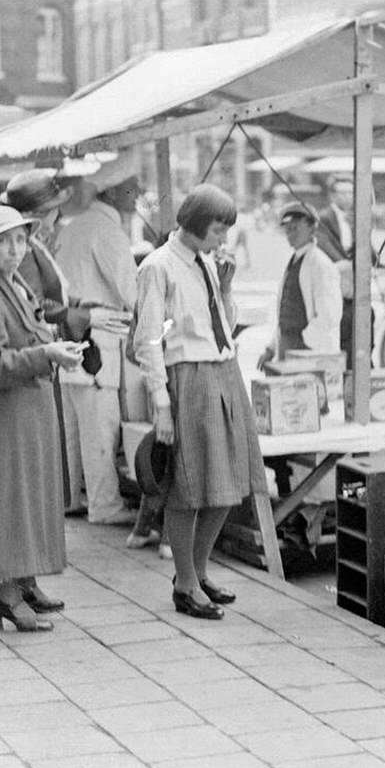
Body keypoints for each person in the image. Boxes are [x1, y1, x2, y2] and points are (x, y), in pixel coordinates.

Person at [0, 205, 88, 633]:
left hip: (23, 408)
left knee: (30, 496)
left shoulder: (9, 281)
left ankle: (25, 582)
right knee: (9, 503)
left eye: (20, 240)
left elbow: (30, 327)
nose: (15, 249)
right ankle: (6, 597)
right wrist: (45, 354)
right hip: (1, 413)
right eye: (4, 242)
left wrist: (52, 345)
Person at [133, 184, 263, 621]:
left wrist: (226, 288)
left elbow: (223, 325)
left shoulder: (207, 263)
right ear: (192, 223)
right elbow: (149, 339)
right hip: (187, 377)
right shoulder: (158, 267)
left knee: (228, 485)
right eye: (217, 229)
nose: (223, 240)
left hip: (222, 372)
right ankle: (185, 582)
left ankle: (199, 571)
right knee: (188, 488)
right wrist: (161, 406)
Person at [52, 172, 139, 526]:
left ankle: (71, 497)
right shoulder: (108, 231)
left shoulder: (73, 227)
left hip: (67, 334)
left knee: (73, 429)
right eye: (133, 190)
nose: (138, 198)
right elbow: (131, 290)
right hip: (97, 342)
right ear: (115, 192)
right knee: (100, 428)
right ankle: (104, 505)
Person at [257, 201, 343, 370]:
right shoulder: (293, 263)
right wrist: (272, 348)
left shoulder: (320, 264)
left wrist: (304, 342)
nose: (290, 234)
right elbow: (285, 316)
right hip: (288, 351)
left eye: (295, 228)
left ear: (312, 228)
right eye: (287, 229)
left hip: (309, 352)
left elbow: (329, 315)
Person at [316, 175, 359, 356]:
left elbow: (364, 245)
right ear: (333, 195)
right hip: (336, 281)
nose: (348, 197)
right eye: (343, 192)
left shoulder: (356, 218)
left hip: (353, 284)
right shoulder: (325, 218)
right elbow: (324, 243)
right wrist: (346, 263)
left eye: (351, 192)